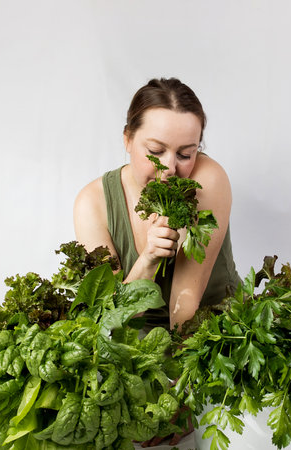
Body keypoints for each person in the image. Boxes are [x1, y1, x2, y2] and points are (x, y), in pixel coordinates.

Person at [74, 77, 240, 332]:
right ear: (127, 139)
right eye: (155, 151)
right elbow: (111, 320)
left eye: (186, 154)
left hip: (216, 334)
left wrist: (175, 372)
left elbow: (184, 306)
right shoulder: (92, 203)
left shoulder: (208, 178)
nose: (170, 168)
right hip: (138, 346)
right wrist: (148, 259)